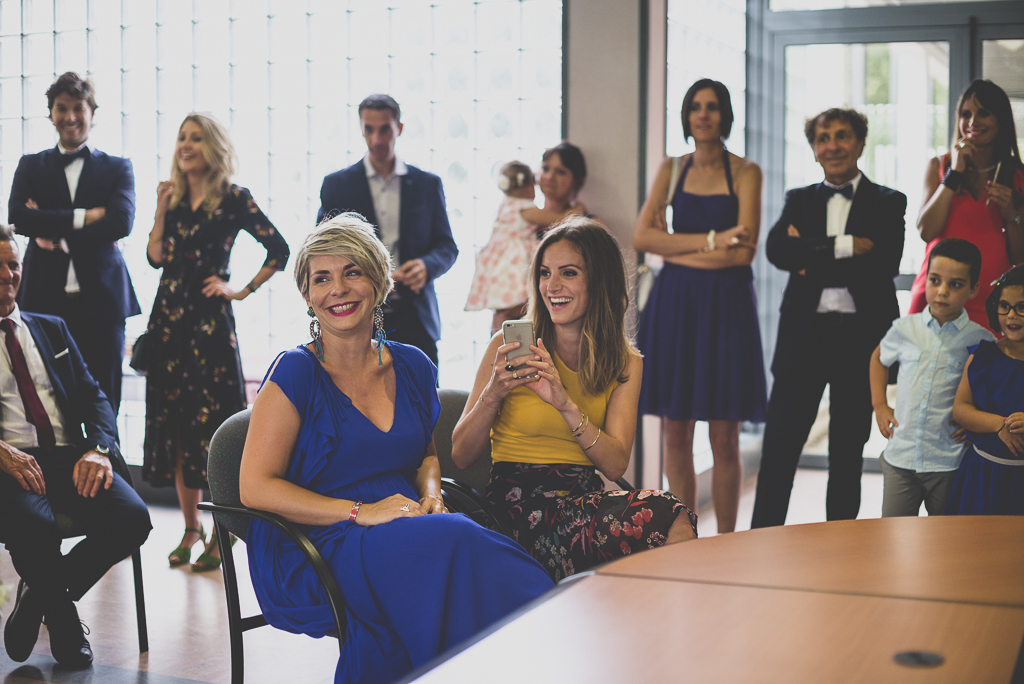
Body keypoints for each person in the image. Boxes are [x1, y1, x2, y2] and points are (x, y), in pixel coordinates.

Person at [240, 214, 553, 684]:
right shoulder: (294, 373)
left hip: (404, 516)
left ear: (378, 281)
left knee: (467, 548)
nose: (337, 289)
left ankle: (545, 651)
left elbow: (425, 453)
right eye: (321, 278)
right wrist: (359, 512)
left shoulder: (412, 365)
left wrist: (433, 494)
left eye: (352, 272)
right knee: (457, 542)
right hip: (320, 535)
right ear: (307, 297)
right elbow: (254, 488)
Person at [452, 217, 697, 582]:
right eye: (545, 273)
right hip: (515, 510)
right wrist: (494, 394)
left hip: (582, 504)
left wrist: (564, 404)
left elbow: (614, 466)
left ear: (599, 281)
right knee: (669, 513)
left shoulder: (625, 361)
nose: (552, 286)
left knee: (668, 518)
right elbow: (459, 454)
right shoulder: (506, 348)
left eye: (568, 273)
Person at [0, 225, 152, 669]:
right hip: (10, 464)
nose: (7, 275)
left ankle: (40, 597)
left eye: (13, 265)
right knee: (35, 528)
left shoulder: (52, 328)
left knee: (133, 519)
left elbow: (94, 397)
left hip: (72, 457)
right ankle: (65, 623)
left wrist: (99, 449)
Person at [144, 113, 290, 571]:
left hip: (208, 328)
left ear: (213, 146)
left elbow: (279, 249)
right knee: (176, 426)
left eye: (196, 138)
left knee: (212, 430)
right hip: (168, 324)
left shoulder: (233, 198)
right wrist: (160, 210)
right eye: (182, 138)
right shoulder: (171, 196)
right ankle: (190, 527)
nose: (186, 145)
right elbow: (154, 258)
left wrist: (239, 289)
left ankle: (221, 531)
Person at [751, 107, 907, 528]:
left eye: (842, 136)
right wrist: (847, 245)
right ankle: (759, 541)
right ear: (815, 151)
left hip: (861, 342)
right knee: (780, 448)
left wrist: (811, 253)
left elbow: (884, 264)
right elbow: (777, 252)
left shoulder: (890, 202)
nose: (833, 145)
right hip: (804, 337)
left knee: (846, 454)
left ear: (859, 143)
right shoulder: (797, 200)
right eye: (823, 138)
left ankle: (840, 548)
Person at [632, 78, 765, 534]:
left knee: (724, 433)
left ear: (725, 114)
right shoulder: (671, 169)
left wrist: (674, 249)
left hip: (727, 309)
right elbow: (641, 238)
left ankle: (726, 539)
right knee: (676, 428)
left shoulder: (747, 172)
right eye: (695, 107)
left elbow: (743, 252)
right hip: (677, 309)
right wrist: (713, 241)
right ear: (686, 116)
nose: (703, 115)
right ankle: (684, 533)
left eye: (712, 107)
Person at [8, 72, 140, 416]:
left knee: (107, 397)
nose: (70, 117)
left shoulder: (117, 168)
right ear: (51, 114)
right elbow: (18, 218)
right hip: (43, 300)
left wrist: (57, 238)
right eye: (61, 108)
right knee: (51, 397)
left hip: (103, 304)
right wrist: (86, 218)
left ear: (92, 112)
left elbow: (121, 222)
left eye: (78, 108)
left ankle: (106, 465)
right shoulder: (31, 165)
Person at [317, 94, 458, 367]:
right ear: (361, 128)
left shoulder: (427, 184)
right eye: (369, 129)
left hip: (415, 313)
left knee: (423, 401)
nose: (377, 139)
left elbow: (447, 246)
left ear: (399, 129)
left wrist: (426, 266)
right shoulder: (337, 185)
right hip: (357, 311)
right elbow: (324, 250)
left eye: (385, 129)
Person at [869, 239, 994, 517]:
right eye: (935, 280)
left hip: (949, 461)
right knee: (894, 536)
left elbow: (993, 388)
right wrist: (879, 405)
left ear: (973, 289)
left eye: (956, 284)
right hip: (901, 458)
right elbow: (879, 358)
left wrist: (976, 422)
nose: (942, 291)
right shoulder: (905, 328)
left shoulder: (981, 340)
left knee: (946, 541)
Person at [912, 80, 1024, 333]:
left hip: (991, 302)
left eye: (983, 113)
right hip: (938, 299)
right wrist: (953, 174)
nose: (973, 122)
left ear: (1001, 120)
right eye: (966, 114)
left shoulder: (1018, 176)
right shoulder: (938, 167)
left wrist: (1011, 214)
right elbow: (926, 232)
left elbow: (1020, 259)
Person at [465, 161, 585, 333]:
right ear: (530, 186)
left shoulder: (506, 205)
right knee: (515, 307)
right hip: (513, 262)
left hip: (498, 264)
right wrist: (578, 209)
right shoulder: (524, 207)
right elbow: (558, 220)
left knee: (503, 320)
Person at [945, 264, 1024, 515]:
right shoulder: (983, 355)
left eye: (1021, 307)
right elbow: (960, 409)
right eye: (1004, 306)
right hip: (982, 475)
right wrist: (998, 424)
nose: (1011, 315)